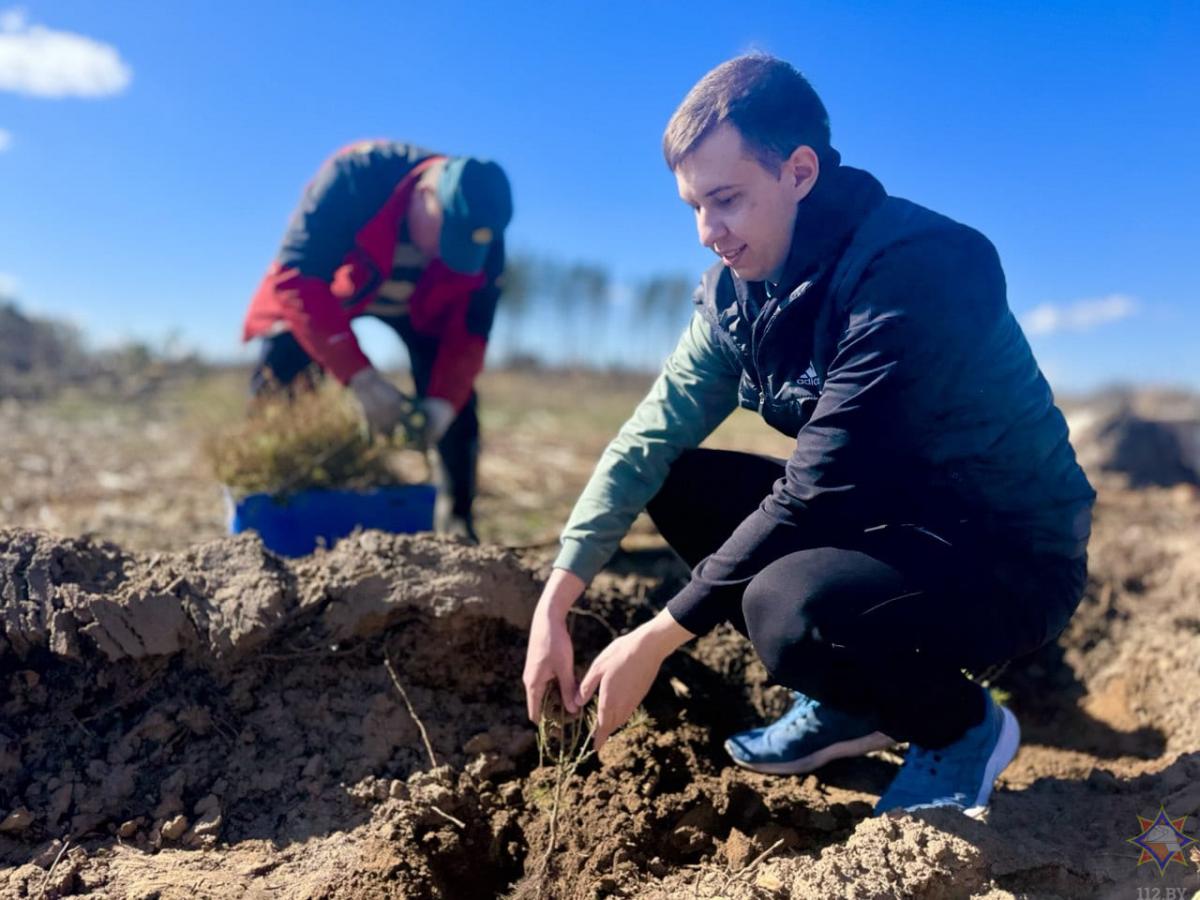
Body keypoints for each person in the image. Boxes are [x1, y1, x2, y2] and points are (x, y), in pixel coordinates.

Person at [522, 55, 1094, 816]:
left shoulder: (918, 270)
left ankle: (960, 728)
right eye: (693, 206)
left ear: (798, 171)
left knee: (788, 609)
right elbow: (646, 441)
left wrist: (654, 639)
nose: (707, 233)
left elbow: (819, 486)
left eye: (725, 199)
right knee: (681, 484)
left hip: (1007, 554)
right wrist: (555, 602)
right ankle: (852, 701)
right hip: (894, 520)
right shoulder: (739, 300)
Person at [242, 140, 513, 541]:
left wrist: (442, 403)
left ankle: (457, 519)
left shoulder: (483, 228)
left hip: (423, 308)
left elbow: (470, 333)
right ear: (425, 195)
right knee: (282, 369)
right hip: (335, 291)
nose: (446, 255)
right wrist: (361, 378)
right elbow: (299, 279)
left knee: (458, 402)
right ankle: (267, 505)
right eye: (447, 236)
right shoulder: (354, 177)